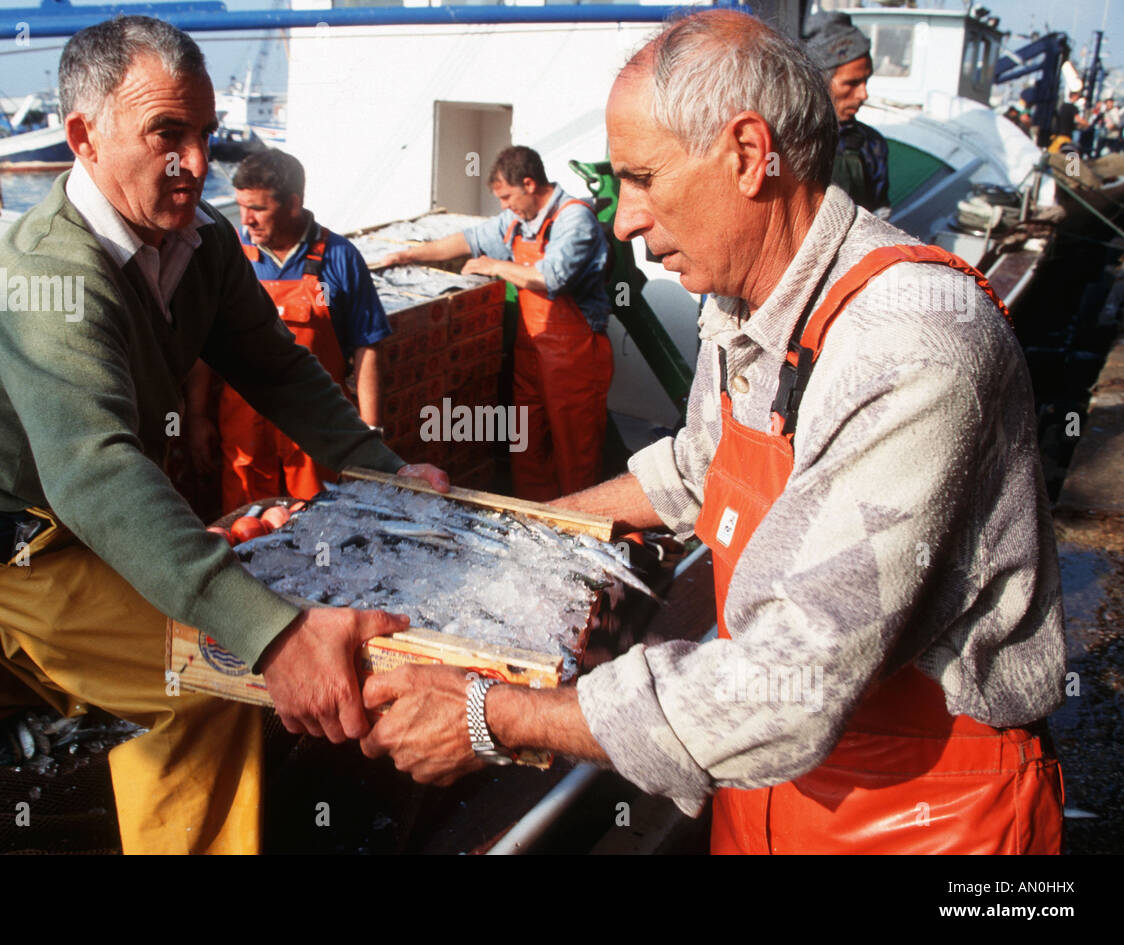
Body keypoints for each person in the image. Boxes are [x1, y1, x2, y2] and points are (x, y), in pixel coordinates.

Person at [360, 10, 1066, 855]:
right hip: (766, 780)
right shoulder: (743, 302)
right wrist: (516, 533)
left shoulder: (911, 343)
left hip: (924, 814)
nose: (623, 220)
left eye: (643, 178)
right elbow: (700, 466)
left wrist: (491, 715)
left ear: (746, 152)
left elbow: (789, 683)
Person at [0, 16, 446, 854]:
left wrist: (382, 469)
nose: (196, 163)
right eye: (167, 133)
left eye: (203, 134)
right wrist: (273, 635)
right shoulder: (44, 273)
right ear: (83, 136)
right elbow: (96, 477)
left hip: (63, 510)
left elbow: (274, 366)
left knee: (83, 641)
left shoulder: (204, 240)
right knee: (205, 679)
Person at [379, 145, 613, 502]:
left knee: (575, 449)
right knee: (528, 443)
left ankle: (580, 527)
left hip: (575, 357)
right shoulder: (519, 220)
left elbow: (551, 278)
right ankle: (534, 518)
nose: (503, 206)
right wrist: (409, 254)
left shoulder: (573, 219)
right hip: (531, 352)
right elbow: (468, 240)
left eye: (506, 196)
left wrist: (494, 266)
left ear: (530, 184)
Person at [184, 149, 390, 509]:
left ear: (293, 204)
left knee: (321, 520)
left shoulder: (340, 256)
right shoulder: (231, 254)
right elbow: (205, 343)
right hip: (244, 428)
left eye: (258, 209)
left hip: (319, 423)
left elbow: (368, 346)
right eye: (242, 206)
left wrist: (369, 434)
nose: (247, 219)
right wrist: (197, 417)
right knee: (247, 524)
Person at [803, 11, 891, 215]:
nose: (863, 94)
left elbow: (881, 211)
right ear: (818, 82)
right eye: (852, 83)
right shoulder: (781, 145)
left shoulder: (872, 145)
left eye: (866, 81)